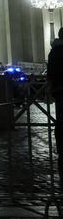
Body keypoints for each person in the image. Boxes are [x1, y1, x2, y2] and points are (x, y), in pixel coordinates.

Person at [48, 27, 63, 179]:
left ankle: (61, 148)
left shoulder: (54, 52)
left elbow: (50, 73)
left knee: (60, 121)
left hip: (58, 90)